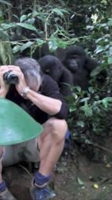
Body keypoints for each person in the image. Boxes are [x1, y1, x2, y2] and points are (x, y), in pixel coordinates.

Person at [0, 57, 68, 200]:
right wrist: (2, 91)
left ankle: (40, 184)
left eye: (37, 87)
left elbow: (61, 111)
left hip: (31, 145)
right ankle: (2, 192)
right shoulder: (5, 83)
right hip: (4, 149)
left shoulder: (46, 82)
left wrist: (27, 91)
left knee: (59, 125)